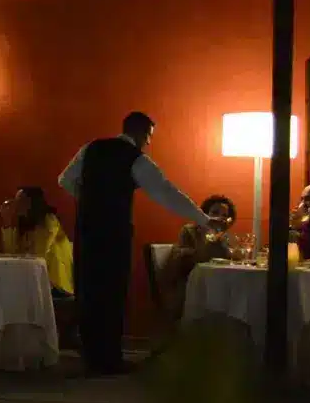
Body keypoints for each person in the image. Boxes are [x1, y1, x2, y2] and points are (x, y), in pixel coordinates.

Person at [59, 112, 219, 375]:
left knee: (88, 289)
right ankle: (109, 359)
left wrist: (90, 201)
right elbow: (167, 193)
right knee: (112, 292)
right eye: (149, 137)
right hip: (115, 234)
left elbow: (65, 180)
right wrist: (203, 219)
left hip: (86, 231)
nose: (148, 143)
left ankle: (91, 356)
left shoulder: (91, 148)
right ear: (142, 133)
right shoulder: (136, 160)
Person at [158, 194, 238, 318]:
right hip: (191, 285)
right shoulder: (189, 231)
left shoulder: (225, 238)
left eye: (224, 215)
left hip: (218, 286)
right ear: (205, 214)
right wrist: (208, 237)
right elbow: (190, 261)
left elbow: (232, 261)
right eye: (215, 212)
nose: (219, 218)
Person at [1, 186, 75, 297]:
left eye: (21, 201)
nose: (17, 205)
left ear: (32, 203)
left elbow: (39, 254)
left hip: (55, 284)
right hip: (36, 279)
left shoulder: (49, 221)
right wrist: (7, 223)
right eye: (16, 201)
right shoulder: (25, 225)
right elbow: (11, 252)